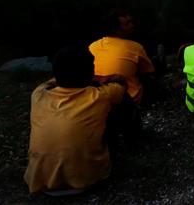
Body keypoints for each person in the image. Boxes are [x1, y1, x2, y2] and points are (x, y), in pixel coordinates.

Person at [24, 45, 132, 195]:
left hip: (43, 182)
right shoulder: (101, 96)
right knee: (116, 104)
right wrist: (101, 79)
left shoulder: (38, 95)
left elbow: (51, 82)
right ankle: (133, 139)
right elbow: (122, 85)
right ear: (89, 73)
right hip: (88, 179)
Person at [89, 12, 156, 105]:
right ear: (117, 30)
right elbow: (148, 72)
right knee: (151, 72)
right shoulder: (135, 47)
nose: (132, 25)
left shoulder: (92, 46)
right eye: (127, 24)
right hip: (129, 99)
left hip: (98, 99)